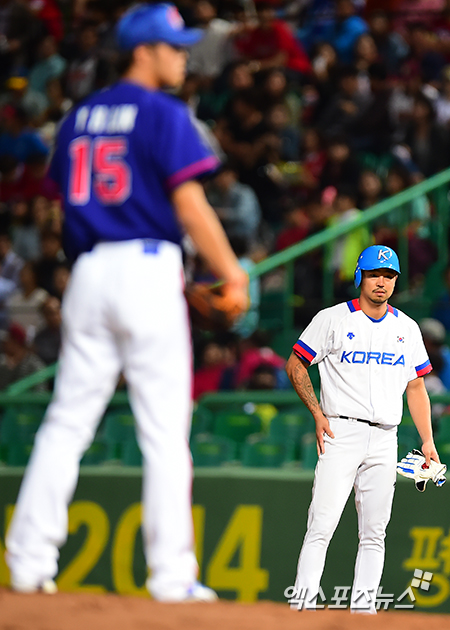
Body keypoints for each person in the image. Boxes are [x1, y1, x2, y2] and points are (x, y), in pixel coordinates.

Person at [6, 3, 248, 603]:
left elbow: (65, 206)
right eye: (172, 46)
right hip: (145, 268)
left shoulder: (79, 115)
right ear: (144, 50)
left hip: (90, 271)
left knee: (66, 422)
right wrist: (230, 274)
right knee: (164, 430)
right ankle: (171, 576)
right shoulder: (163, 111)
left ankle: (29, 563)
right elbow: (189, 203)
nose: (182, 55)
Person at [285, 245, 441, 613]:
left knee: (375, 532)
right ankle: (302, 606)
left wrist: (428, 440)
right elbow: (296, 363)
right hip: (341, 431)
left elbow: (416, 387)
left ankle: (363, 611)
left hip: (386, 436)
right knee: (321, 525)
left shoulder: (407, 327)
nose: (382, 282)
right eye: (374, 274)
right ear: (360, 276)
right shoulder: (333, 318)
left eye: (389, 276)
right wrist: (316, 412)